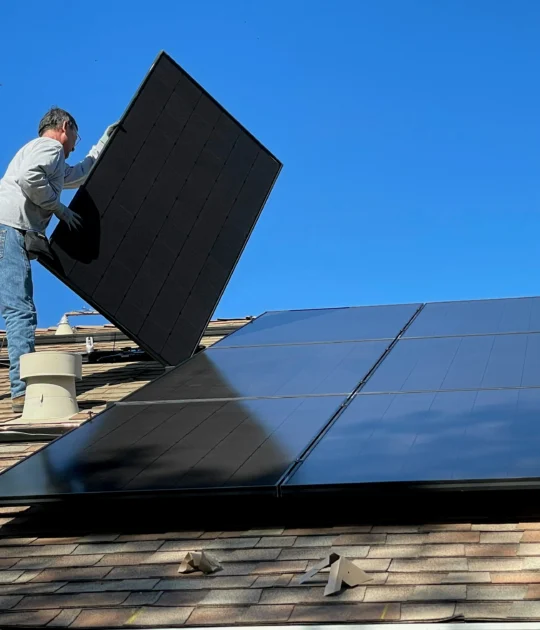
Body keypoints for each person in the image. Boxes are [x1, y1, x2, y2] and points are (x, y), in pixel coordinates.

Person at [0, 108, 116, 413]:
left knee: (16, 308)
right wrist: (59, 209)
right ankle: (22, 391)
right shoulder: (49, 147)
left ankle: (19, 387)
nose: (76, 143)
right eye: (76, 135)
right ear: (65, 127)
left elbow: (77, 175)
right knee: (20, 310)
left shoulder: (46, 155)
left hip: (6, 230)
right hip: (9, 229)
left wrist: (104, 142)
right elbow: (30, 179)